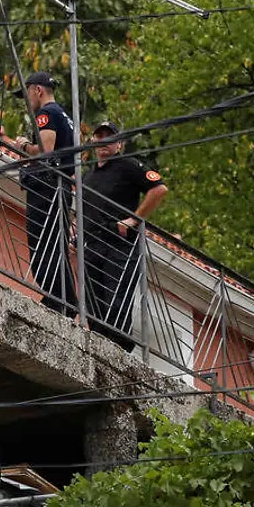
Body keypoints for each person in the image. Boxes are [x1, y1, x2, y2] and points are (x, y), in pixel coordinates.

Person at [82, 120, 168, 351]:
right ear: (93, 141)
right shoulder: (87, 177)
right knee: (93, 302)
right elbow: (81, 209)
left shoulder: (128, 165)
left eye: (109, 137)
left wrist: (133, 219)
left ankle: (117, 348)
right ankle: (98, 347)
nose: (103, 142)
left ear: (119, 144)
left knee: (115, 299)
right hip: (92, 245)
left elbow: (159, 189)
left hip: (119, 244)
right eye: (99, 137)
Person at [12, 71, 78, 315]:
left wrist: (22, 146)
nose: (27, 100)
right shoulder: (63, 115)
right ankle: (63, 300)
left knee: (42, 246)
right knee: (52, 245)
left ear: (37, 90)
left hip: (48, 188)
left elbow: (45, 150)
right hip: (58, 187)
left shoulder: (47, 114)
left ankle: (61, 301)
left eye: (27, 93)